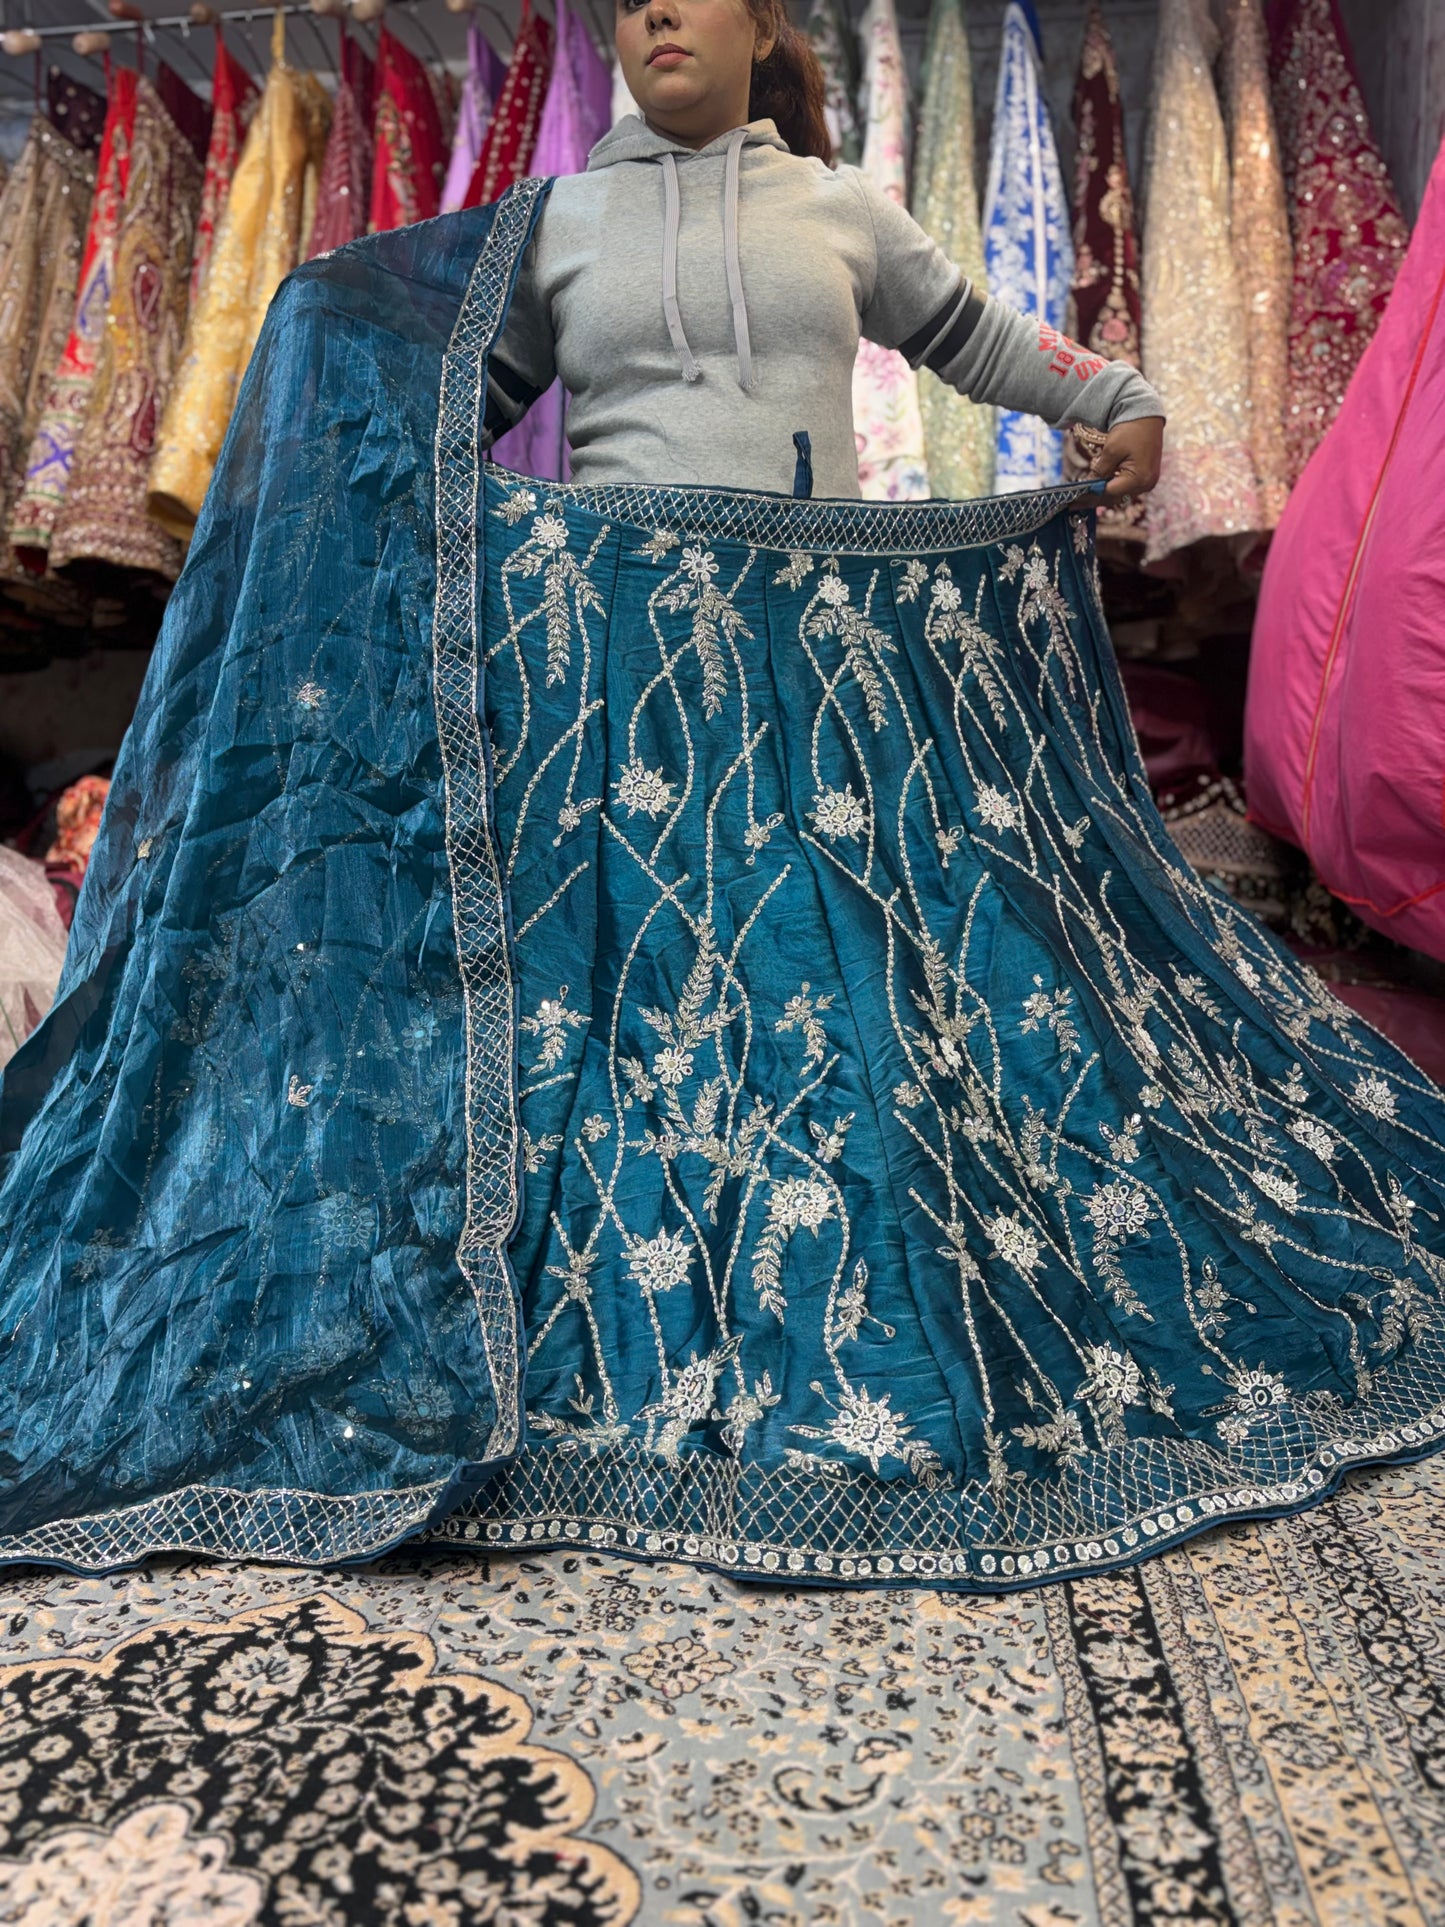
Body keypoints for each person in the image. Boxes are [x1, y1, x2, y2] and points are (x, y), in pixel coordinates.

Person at [1, 0, 1444, 1591]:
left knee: (847, 1008)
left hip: (823, 691)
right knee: (624, 1008)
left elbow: (978, 340)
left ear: (764, 31)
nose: (655, 15)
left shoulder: (838, 212)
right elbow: (410, 433)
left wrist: (1112, 401)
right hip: (613, 709)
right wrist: (329, 387)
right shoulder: (547, 231)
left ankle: (869, 1300)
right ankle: (607, 1341)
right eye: (628, 1)